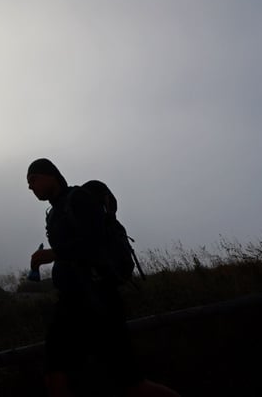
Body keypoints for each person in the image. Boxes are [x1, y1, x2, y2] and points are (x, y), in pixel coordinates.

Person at [26, 158, 180, 397]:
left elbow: (94, 242)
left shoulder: (79, 198)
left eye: (33, 179)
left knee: (131, 384)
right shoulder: (54, 214)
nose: (30, 187)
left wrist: (54, 253)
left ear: (50, 175)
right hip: (71, 303)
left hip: (100, 301)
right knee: (54, 373)